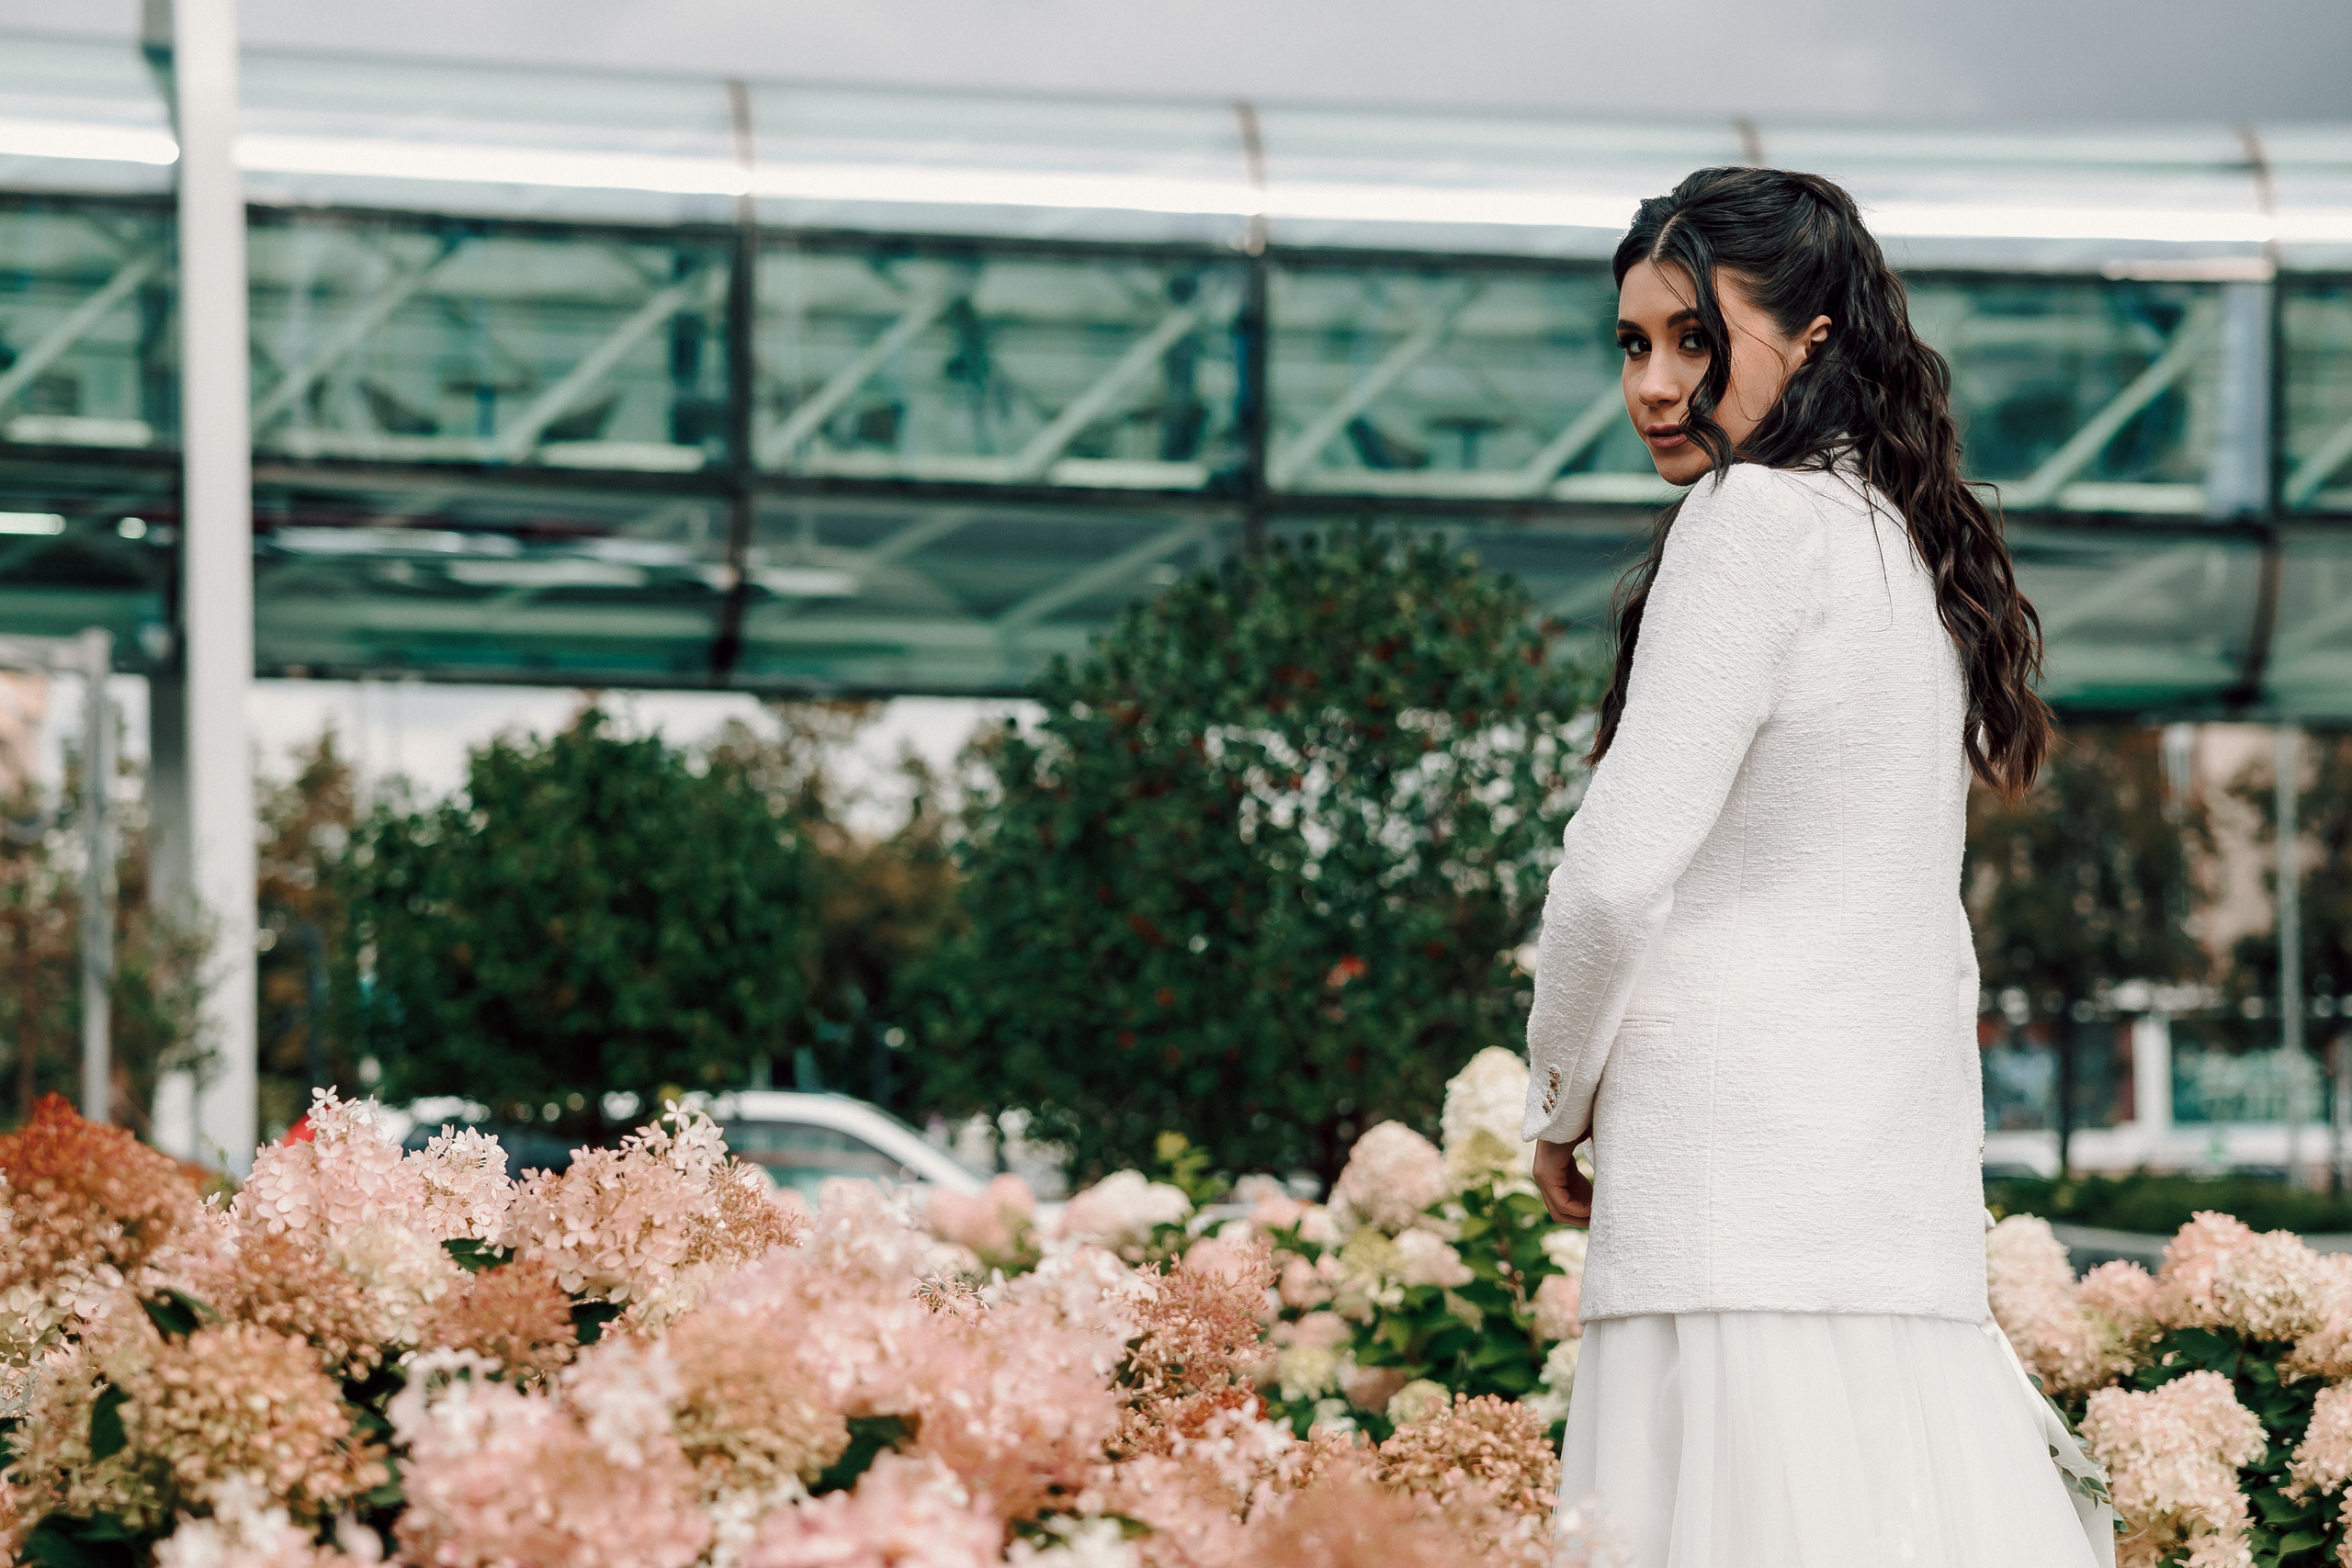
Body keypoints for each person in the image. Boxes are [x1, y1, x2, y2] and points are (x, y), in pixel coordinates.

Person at [1522, 166, 2111, 1566]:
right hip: (1883, 1200)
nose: (1655, 385)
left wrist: (1558, 1096)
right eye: (1633, 343)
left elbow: (1613, 873)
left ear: (1817, 335)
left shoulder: (1749, 524)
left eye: (1692, 339)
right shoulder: (1906, 544)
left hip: (1724, 1185)